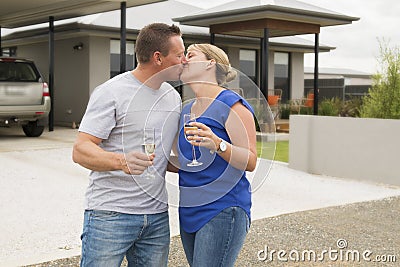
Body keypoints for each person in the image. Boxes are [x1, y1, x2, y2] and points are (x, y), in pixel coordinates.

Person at [72, 23, 186, 267]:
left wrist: (208, 162)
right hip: (110, 216)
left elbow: (166, 157)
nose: (185, 60)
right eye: (179, 55)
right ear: (158, 57)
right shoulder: (112, 92)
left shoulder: (173, 97)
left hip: (156, 217)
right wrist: (120, 161)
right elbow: (81, 149)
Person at [176, 43, 257, 266]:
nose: (183, 60)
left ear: (210, 63)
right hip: (189, 209)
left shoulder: (232, 105)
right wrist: (152, 160)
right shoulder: (186, 110)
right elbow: (186, 162)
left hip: (222, 208)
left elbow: (250, 160)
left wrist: (218, 144)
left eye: (190, 55)